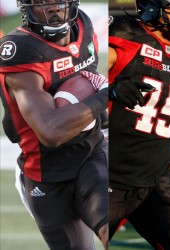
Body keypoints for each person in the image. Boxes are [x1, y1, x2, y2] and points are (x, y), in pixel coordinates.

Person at [0, 0, 109, 248]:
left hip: (91, 152)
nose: (52, 8)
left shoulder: (83, 24)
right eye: (42, 2)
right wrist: (106, 96)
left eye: (58, 0)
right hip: (46, 171)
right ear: (26, 7)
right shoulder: (20, 49)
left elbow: (86, 87)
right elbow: (51, 132)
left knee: (108, 227)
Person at [107, 0, 170, 248]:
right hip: (107, 175)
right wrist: (110, 91)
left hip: (156, 177)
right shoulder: (122, 37)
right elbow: (77, 86)